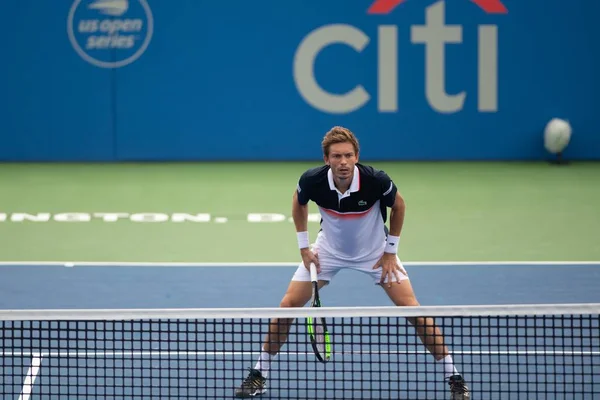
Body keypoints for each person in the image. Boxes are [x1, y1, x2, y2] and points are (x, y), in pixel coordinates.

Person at [234, 126, 470, 399]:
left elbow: (400, 206)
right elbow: (298, 202)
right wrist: (303, 247)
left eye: (348, 156)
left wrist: (390, 251)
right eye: (336, 156)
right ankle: (259, 375)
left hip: (375, 254)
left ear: (357, 156)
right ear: (327, 159)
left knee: (413, 309)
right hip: (328, 252)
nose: (343, 162)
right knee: (287, 306)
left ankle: (454, 376)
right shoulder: (312, 180)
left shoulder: (375, 180)